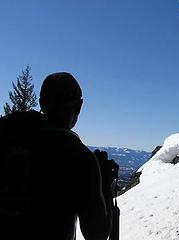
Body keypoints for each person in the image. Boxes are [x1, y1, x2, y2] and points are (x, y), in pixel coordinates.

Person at [0, 72, 113, 240]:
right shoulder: (79, 157)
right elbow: (97, 233)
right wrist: (104, 185)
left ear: (41, 103)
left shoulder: (6, 134)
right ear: (79, 106)